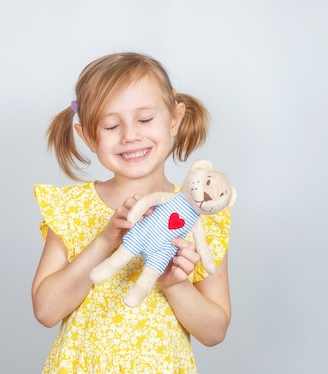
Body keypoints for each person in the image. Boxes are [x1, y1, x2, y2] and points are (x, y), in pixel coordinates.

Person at [31, 52, 233, 373]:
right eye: (111, 125)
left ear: (175, 119)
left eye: (145, 119)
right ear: (88, 137)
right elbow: (46, 310)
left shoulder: (202, 215)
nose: (130, 135)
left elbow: (214, 331)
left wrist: (175, 284)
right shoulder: (72, 208)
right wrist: (103, 243)